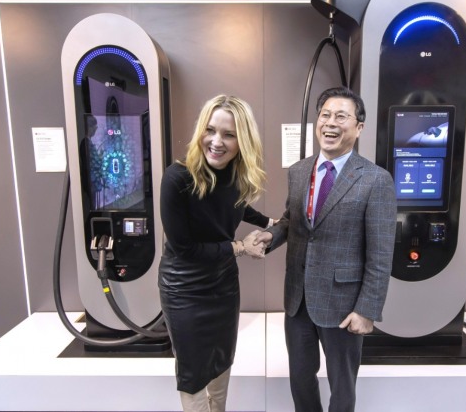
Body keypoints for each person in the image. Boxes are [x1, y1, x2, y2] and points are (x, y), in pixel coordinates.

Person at [254, 86, 397, 412]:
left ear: (359, 127)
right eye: (325, 115)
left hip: (343, 305)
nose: (331, 123)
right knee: (300, 380)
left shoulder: (375, 180)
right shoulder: (299, 171)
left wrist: (367, 310)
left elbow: (380, 253)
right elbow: (293, 220)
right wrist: (271, 236)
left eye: (341, 117)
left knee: (342, 387)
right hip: (298, 299)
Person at [158, 94, 273, 412]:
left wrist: (268, 222)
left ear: (242, 141)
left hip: (223, 284)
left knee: (222, 357)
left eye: (229, 134)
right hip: (184, 288)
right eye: (210, 130)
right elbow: (184, 249)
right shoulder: (177, 178)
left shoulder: (235, 175)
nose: (216, 141)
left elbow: (234, 203)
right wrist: (240, 247)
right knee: (193, 371)